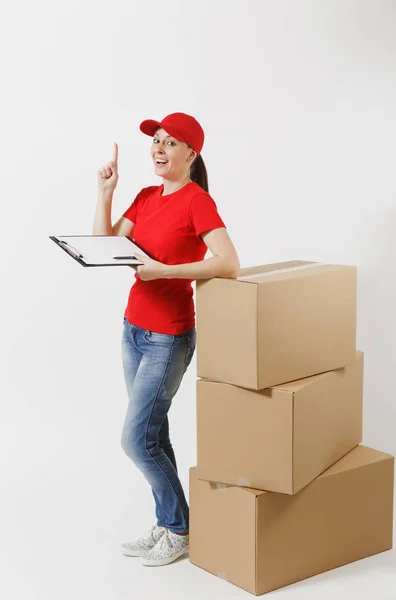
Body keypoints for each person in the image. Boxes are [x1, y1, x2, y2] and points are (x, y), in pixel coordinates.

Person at [93, 112, 240, 567]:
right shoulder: (145, 197)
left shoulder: (196, 201)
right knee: (154, 434)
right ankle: (168, 521)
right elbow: (103, 246)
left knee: (136, 440)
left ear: (192, 154)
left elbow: (229, 262)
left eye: (170, 143)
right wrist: (106, 193)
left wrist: (165, 271)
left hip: (168, 337)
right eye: (156, 141)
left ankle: (180, 528)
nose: (159, 148)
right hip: (132, 330)